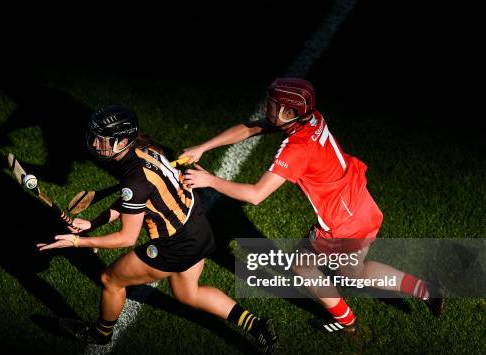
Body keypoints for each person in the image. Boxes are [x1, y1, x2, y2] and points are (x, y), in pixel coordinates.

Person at [180, 78, 444, 334]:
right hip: (360, 203)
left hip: (341, 222)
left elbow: (256, 195)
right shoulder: (311, 118)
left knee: (302, 264)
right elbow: (252, 127)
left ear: (287, 111)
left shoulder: (296, 149)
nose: (265, 106)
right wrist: (204, 147)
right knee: (354, 271)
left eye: (271, 103)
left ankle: (346, 321)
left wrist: (210, 180)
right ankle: (426, 290)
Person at [37, 105, 277, 355]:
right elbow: (136, 199)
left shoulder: (133, 179)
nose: (95, 143)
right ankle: (257, 326)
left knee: (111, 280)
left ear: (123, 141)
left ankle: (100, 333)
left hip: (174, 244)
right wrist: (94, 223)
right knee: (188, 293)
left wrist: (77, 242)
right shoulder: (146, 149)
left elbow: (126, 238)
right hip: (198, 227)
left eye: (103, 139)